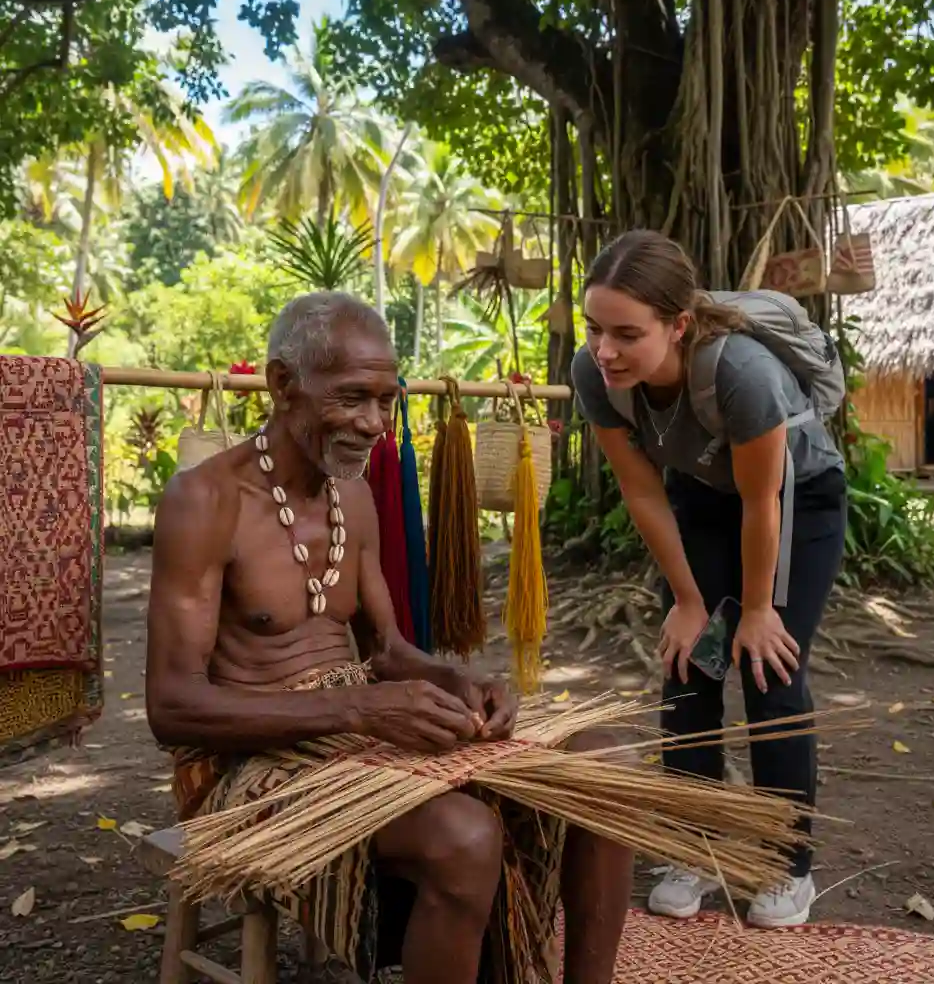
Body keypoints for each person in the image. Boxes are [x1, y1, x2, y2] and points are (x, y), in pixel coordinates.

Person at [146, 292, 634, 984]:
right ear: (283, 384)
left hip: (354, 728)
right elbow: (172, 708)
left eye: (387, 400)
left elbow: (387, 653)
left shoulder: (353, 495)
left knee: (602, 763)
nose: (375, 423)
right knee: (464, 836)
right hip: (246, 762)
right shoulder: (206, 501)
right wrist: (360, 710)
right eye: (352, 398)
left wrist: (456, 682)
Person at [571, 230, 847, 929]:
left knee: (767, 669)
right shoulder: (593, 374)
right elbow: (643, 491)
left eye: (627, 334)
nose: (606, 350)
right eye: (595, 328)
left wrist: (756, 610)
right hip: (702, 496)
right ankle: (690, 843)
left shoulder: (741, 372)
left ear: (679, 324)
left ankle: (787, 864)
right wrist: (691, 603)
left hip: (795, 501)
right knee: (691, 662)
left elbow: (764, 503)